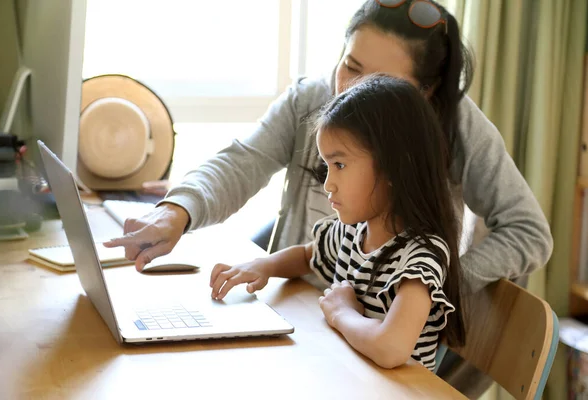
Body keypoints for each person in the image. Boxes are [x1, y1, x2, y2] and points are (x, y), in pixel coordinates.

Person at [104, 0, 552, 394]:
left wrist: (435, 286)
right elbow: (244, 161)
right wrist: (176, 213)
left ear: (421, 95)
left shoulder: (458, 134)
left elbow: (529, 232)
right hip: (307, 324)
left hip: (367, 345)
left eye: (375, 82)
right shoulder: (313, 101)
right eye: (349, 65)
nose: (346, 91)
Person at [210, 75, 466, 371]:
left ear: (396, 165)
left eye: (340, 165)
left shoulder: (419, 257)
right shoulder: (351, 232)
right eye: (327, 166)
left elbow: (391, 348)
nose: (328, 184)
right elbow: (309, 256)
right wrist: (262, 266)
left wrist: (342, 313)